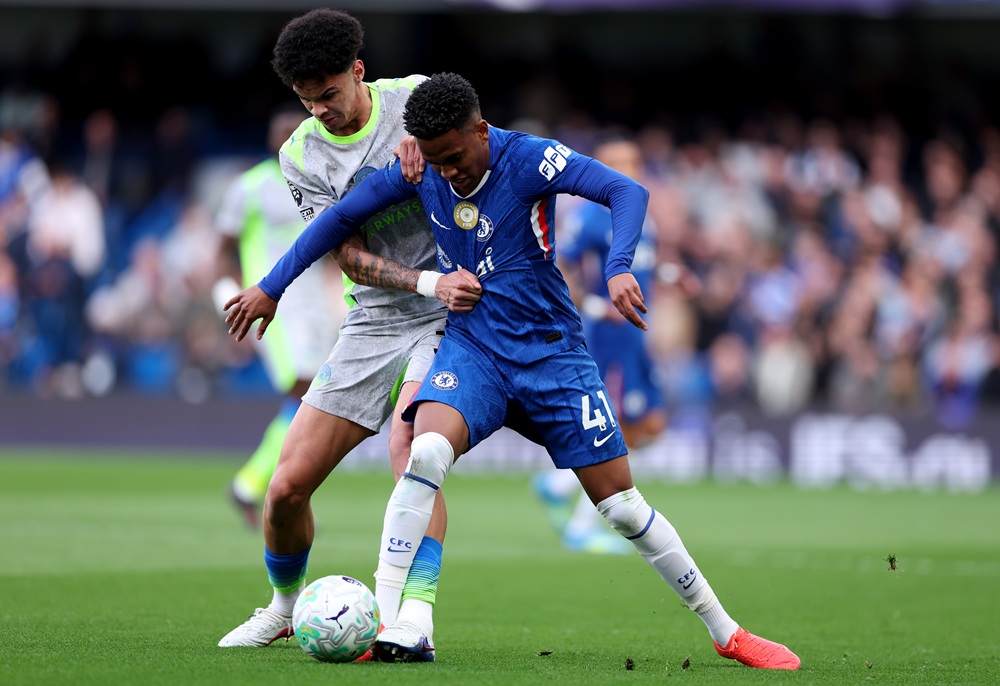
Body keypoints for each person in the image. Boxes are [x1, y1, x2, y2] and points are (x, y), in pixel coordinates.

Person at [224, 72, 801, 670]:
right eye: (436, 160)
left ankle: (727, 632)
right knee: (422, 453)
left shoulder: (528, 158)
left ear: (480, 130)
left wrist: (619, 267)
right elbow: (336, 222)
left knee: (623, 507)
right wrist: (270, 286)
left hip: (553, 356)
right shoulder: (419, 166)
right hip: (474, 350)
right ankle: (392, 622)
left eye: (454, 157)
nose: (448, 173)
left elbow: (627, 191)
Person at [216, 11, 483, 663]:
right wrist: (422, 283)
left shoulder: (417, 100)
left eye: (329, 94)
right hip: (376, 316)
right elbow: (350, 257)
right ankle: (283, 608)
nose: (321, 110)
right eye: (307, 101)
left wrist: (439, 152)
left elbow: (482, 165)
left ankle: (411, 620)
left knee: (411, 453)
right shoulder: (300, 155)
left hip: (456, 311)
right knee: (285, 488)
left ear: (358, 73)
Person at [532, 132, 667, 555]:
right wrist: (593, 307)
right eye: (618, 163)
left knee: (651, 426)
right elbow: (557, 270)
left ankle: (557, 483)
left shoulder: (644, 217)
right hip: (608, 340)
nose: (629, 170)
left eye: (634, 161)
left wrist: (674, 278)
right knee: (618, 429)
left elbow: (641, 268)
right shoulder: (590, 218)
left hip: (634, 338)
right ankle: (580, 525)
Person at [212, 105, 340, 528]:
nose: (288, 138)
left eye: (296, 131)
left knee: (312, 394)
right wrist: (230, 298)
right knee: (304, 390)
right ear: (270, 139)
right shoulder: (249, 187)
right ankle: (261, 483)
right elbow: (222, 249)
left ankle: (258, 483)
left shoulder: (318, 182)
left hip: (315, 306)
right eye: (281, 132)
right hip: (275, 307)